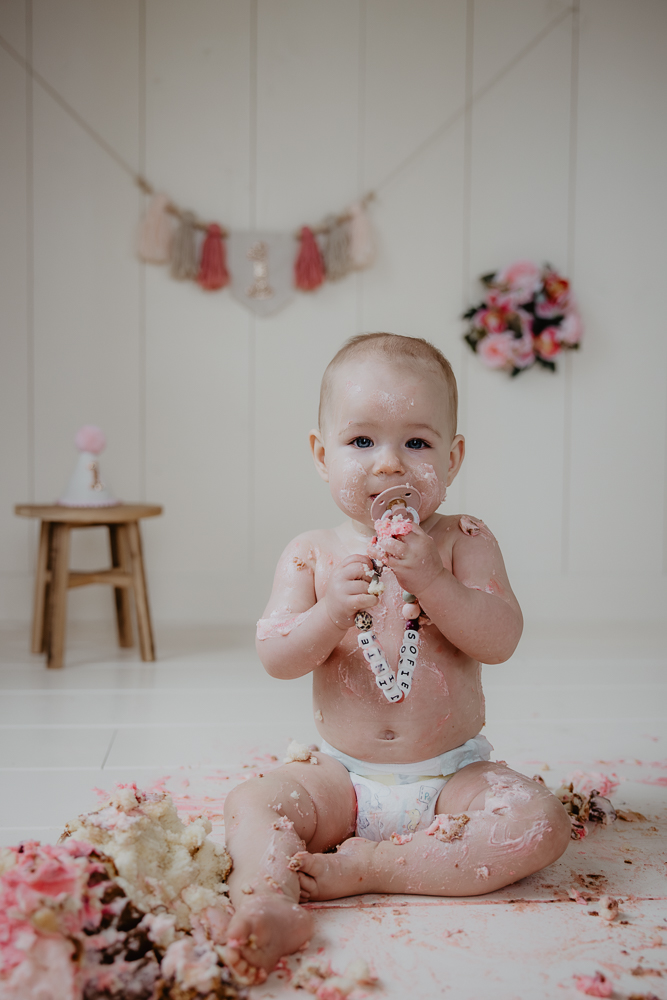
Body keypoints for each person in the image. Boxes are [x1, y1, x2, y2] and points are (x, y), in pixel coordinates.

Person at [221, 333, 571, 984]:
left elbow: (500, 639)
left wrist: (435, 583)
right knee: (252, 804)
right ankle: (268, 901)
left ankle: (373, 868)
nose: (389, 466)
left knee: (538, 825)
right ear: (320, 456)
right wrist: (328, 612)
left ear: (453, 455)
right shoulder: (312, 552)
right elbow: (277, 655)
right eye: (361, 442)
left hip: (452, 781)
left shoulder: (464, 541)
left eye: (416, 442)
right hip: (342, 779)